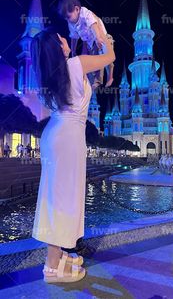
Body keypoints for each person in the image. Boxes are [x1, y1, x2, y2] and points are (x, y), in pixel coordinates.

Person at [31, 28, 115, 283]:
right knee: (64, 199)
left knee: (56, 197)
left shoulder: (51, 76)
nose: (66, 39)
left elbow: (80, 92)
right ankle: (51, 267)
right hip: (68, 138)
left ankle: (56, 257)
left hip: (56, 136)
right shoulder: (76, 64)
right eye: (61, 38)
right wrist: (106, 41)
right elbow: (109, 57)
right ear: (58, 47)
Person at [57, 0, 115, 90]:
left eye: (68, 16)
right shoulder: (71, 23)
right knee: (96, 60)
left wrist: (98, 37)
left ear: (77, 9)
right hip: (90, 42)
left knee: (106, 58)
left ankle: (109, 76)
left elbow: (93, 24)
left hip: (100, 36)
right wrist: (73, 51)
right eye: (66, 19)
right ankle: (98, 79)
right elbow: (74, 37)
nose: (68, 20)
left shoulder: (84, 13)